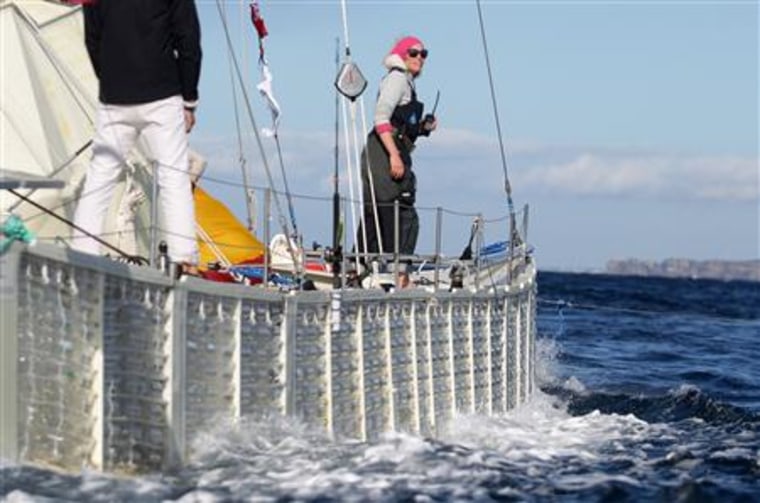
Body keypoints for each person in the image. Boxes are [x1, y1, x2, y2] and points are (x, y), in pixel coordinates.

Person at [72, 0, 202, 273]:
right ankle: (183, 259)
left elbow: (92, 38)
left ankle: (82, 253)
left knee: (100, 177)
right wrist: (189, 100)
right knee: (173, 176)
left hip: (115, 96)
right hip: (162, 94)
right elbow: (188, 40)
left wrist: (109, 80)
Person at [356, 35, 437, 285]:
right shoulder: (397, 79)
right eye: (414, 53)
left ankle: (361, 266)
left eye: (423, 54)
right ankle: (396, 272)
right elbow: (381, 118)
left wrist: (423, 128)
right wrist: (394, 155)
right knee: (399, 211)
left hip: (392, 149)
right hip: (383, 152)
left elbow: (400, 124)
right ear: (402, 55)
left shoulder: (408, 83)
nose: (419, 58)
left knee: (380, 211)